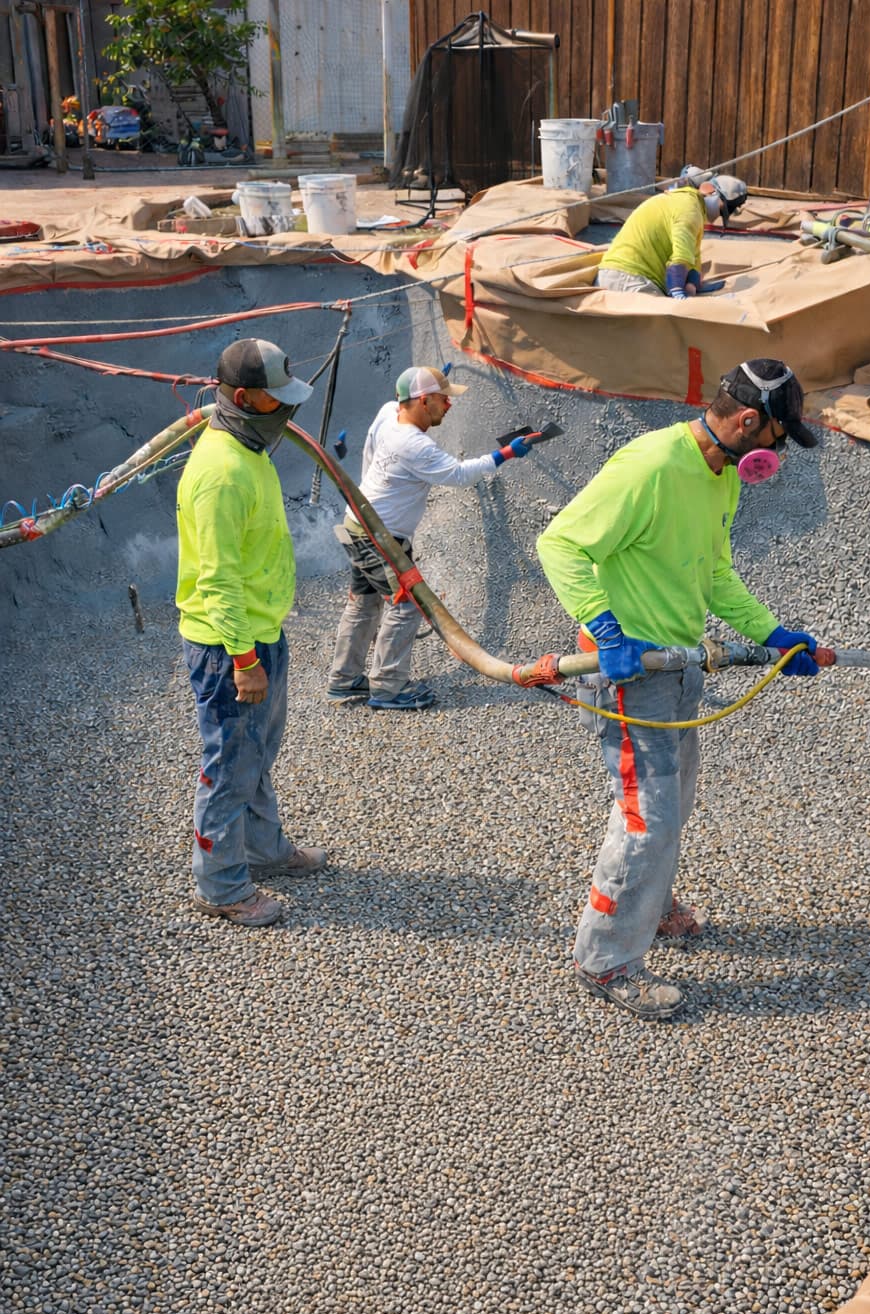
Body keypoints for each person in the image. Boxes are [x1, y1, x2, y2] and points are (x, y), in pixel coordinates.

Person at [535, 359, 820, 1020]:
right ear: (749, 421)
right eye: (779, 436)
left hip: (676, 664)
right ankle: (604, 960)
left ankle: (651, 904)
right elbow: (560, 545)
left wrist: (772, 633)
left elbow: (714, 573)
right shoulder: (651, 468)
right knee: (646, 817)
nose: (779, 450)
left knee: (673, 800)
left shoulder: (718, 474)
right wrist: (606, 631)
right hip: (631, 672)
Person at [176, 338, 325, 928]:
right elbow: (216, 579)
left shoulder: (250, 448)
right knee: (229, 764)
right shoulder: (219, 474)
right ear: (242, 398)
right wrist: (243, 658)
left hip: (261, 633)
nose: (287, 410)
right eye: (276, 398)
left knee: (257, 755)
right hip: (228, 645)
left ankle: (263, 849)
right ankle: (221, 886)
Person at [327, 365, 533, 712]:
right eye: (443, 399)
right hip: (381, 537)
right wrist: (505, 454)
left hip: (358, 522)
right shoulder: (416, 445)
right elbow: (458, 474)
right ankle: (389, 688)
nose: (449, 406)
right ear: (422, 401)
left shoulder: (389, 412)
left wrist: (435, 378)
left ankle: (344, 678)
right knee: (407, 604)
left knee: (364, 603)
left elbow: (374, 444)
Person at [595, 170, 748, 299]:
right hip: (629, 278)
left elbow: (692, 256)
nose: (718, 215)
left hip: (619, 275)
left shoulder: (687, 205)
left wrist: (693, 283)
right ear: (710, 190)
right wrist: (677, 290)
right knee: (665, 328)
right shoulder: (689, 210)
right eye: (722, 210)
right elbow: (681, 257)